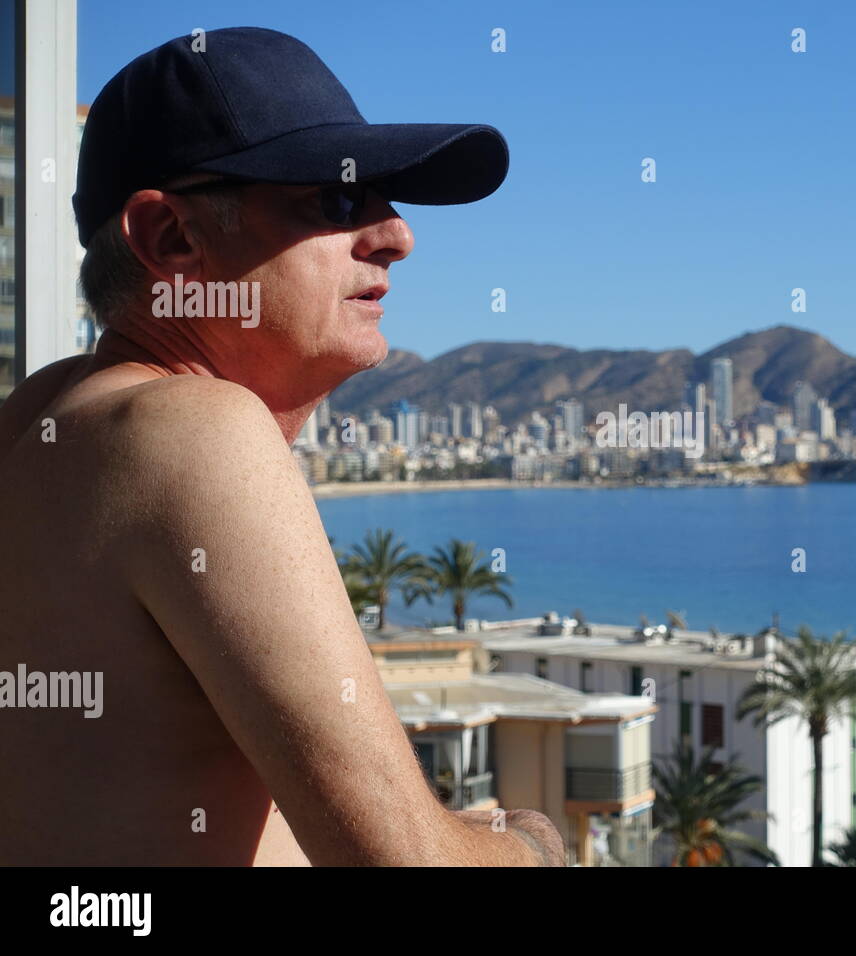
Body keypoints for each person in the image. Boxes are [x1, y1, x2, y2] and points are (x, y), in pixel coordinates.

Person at [0, 27, 563, 866]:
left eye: (384, 198)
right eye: (335, 201)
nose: (395, 236)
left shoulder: (39, 415)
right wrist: (535, 845)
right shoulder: (193, 431)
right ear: (171, 242)